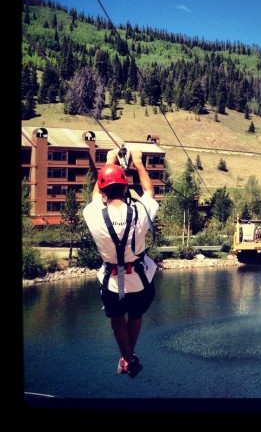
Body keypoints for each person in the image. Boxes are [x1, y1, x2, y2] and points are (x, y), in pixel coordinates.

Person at [83, 147, 159, 378]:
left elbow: (96, 195)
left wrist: (109, 162)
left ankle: (128, 358)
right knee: (135, 317)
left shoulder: (92, 213)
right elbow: (149, 191)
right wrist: (138, 163)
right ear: (125, 187)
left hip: (112, 282)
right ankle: (127, 357)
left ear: (104, 191)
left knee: (117, 318)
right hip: (140, 281)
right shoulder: (140, 211)